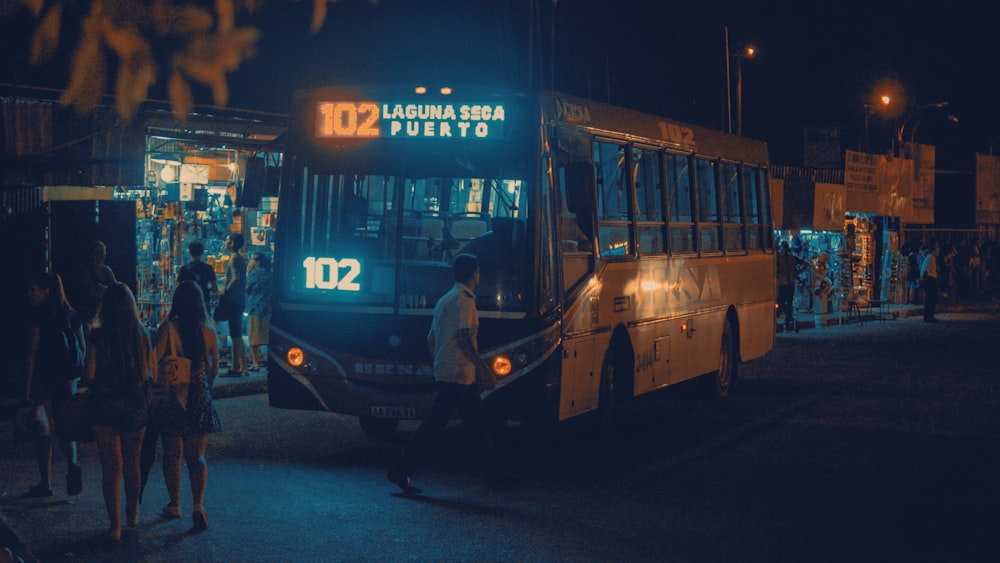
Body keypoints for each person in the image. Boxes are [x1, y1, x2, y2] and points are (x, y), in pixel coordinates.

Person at [386, 254, 509, 494]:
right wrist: (483, 369)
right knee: (437, 426)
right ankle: (401, 469)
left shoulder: (445, 300)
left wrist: (439, 363)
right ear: (474, 273)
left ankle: (496, 475)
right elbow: (464, 338)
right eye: (479, 271)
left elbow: (431, 338)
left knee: (475, 425)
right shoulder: (464, 302)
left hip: (451, 372)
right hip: (459, 375)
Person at [82, 282, 153, 543]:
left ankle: (115, 526)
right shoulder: (141, 334)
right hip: (134, 404)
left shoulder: (97, 336)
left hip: (104, 403)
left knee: (111, 468)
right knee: (132, 464)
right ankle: (132, 512)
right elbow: (148, 373)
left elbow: (89, 374)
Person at [149, 280, 221, 531]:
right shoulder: (208, 331)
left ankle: (174, 503)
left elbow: (153, 362)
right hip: (198, 394)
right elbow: (214, 369)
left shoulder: (168, 328)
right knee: (197, 455)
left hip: (172, 394)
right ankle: (198, 504)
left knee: (172, 452)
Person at [23, 272, 85, 498]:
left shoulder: (38, 314)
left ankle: (46, 483)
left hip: (43, 377)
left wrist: (27, 386)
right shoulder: (71, 313)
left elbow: (32, 351)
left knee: (43, 428)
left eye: (33, 289)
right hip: (67, 378)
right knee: (66, 426)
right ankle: (73, 466)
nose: (29, 294)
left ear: (46, 290)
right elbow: (82, 348)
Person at [219, 232, 249, 377]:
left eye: (227, 240)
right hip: (239, 300)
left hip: (234, 300)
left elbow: (236, 278)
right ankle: (242, 367)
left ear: (232, 243)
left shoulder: (234, 258)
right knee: (236, 334)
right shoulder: (238, 258)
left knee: (235, 334)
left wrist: (225, 290)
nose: (225, 242)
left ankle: (236, 367)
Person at [74, 240, 118, 330]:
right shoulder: (85, 270)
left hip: (104, 314)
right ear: (92, 254)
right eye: (98, 252)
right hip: (88, 313)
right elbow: (91, 290)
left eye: (103, 252)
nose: (101, 255)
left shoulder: (107, 270)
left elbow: (116, 290)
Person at [245, 252, 272, 371]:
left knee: (253, 336)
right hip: (267, 308)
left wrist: (247, 273)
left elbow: (246, 288)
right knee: (266, 336)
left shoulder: (254, 273)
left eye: (252, 259)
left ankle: (255, 363)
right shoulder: (270, 274)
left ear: (258, 262)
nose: (250, 262)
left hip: (255, 307)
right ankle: (267, 360)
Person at [177, 240, 218, 316]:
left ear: (189, 252)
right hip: (204, 302)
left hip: (188, 303)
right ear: (202, 252)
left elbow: (180, 289)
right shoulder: (208, 268)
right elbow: (215, 288)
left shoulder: (184, 269)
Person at [776, 242, 807, 330]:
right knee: (787, 303)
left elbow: (805, 264)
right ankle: (789, 318)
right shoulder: (792, 258)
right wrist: (797, 273)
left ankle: (788, 318)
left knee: (784, 302)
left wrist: (796, 273)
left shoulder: (781, 259)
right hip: (789, 283)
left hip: (785, 284)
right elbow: (805, 264)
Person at [811, 253, 833, 330]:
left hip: (821, 287)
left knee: (822, 306)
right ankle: (821, 323)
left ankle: (822, 323)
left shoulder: (821, 266)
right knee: (820, 306)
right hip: (819, 287)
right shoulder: (819, 267)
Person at [921, 243, 940, 322]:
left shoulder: (930, 258)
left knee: (930, 299)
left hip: (929, 279)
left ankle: (928, 315)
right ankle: (929, 316)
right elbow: (927, 270)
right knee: (931, 299)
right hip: (930, 279)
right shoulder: (931, 258)